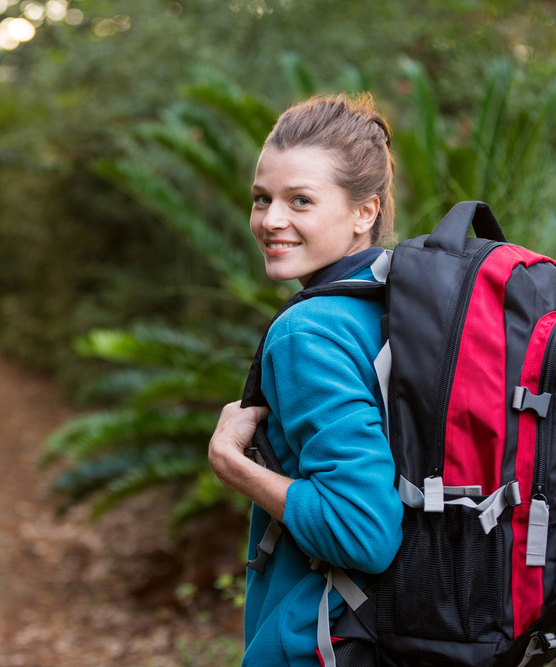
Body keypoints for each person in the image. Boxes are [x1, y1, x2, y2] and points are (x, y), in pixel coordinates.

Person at [208, 93, 403, 666]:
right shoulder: (388, 302)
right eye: (262, 199)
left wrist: (231, 463)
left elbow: (364, 531)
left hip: (321, 640)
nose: (271, 220)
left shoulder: (308, 332)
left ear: (365, 212)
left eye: (301, 201)